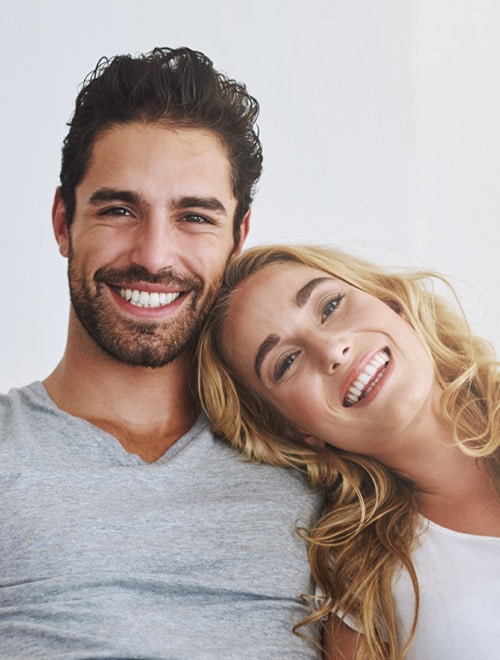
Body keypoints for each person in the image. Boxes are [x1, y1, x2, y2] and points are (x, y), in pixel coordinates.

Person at [0, 50, 323, 658]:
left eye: (194, 217)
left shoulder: (312, 455)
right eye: (120, 210)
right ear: (63, 220)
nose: (153, 255)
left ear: (238, 238)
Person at [197, 243, 500, 660]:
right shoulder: (361, 585)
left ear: (392, 304)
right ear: (297, 431)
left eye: (331, 305)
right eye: (286, 363)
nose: (332, 350)